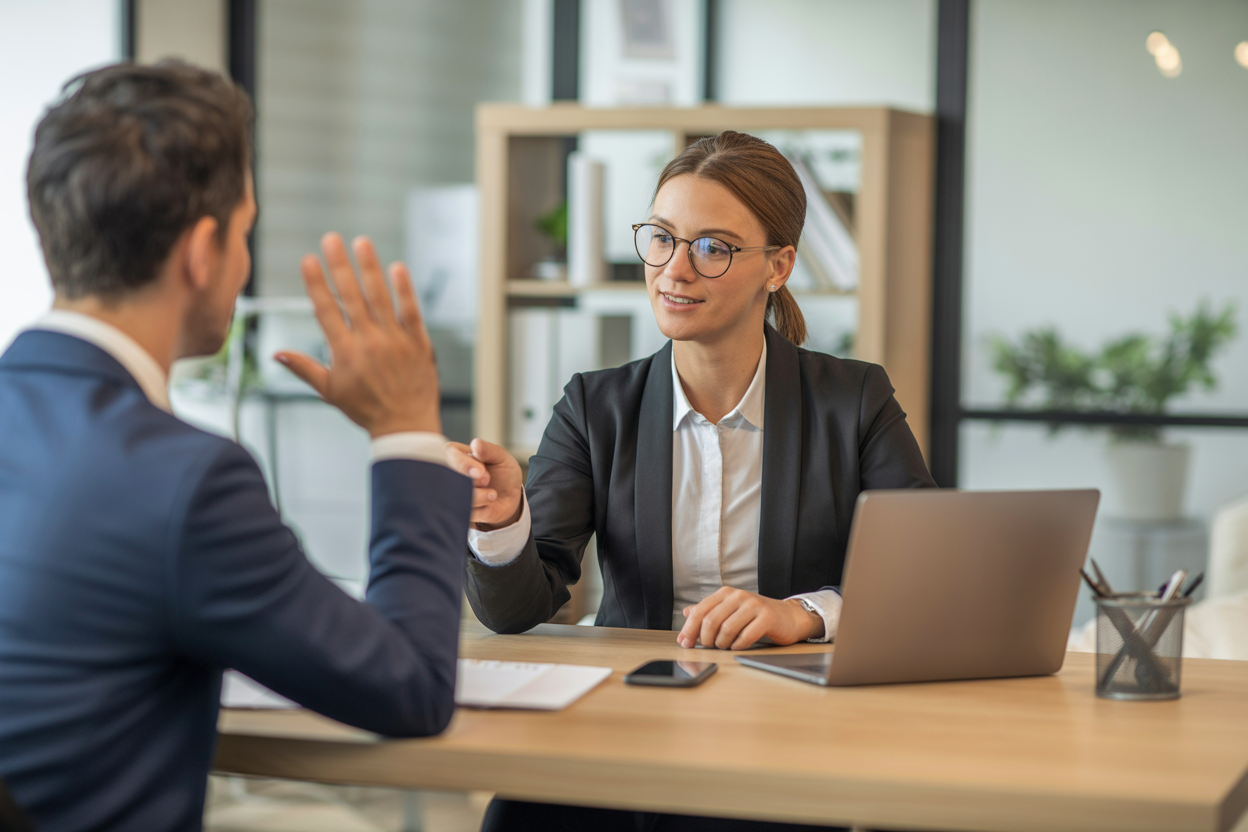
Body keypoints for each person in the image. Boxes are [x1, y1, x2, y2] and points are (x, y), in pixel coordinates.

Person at [0, 62, 470, 832]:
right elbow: (411, 689)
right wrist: (407, 427)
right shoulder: (181, 480)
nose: (246, 261)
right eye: (245, 233)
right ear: (201, 251)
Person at [447, 131, 935, 831]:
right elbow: (520, 607)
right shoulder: (594, 406)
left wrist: (800, 613)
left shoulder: (853, 400)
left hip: (786, 721)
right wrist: (498, 524)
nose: (675, 270)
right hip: (629, 713)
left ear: (778, 266)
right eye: (662, 238)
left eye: (713, 247)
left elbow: (921, 579)